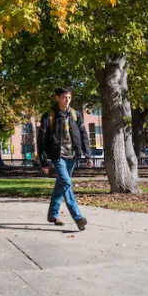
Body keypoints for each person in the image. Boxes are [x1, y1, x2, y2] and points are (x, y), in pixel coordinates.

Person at [37, 87, 92, 231]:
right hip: (58, 156)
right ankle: (78, 217)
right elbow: (41, 140)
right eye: (64, 97)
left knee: (61, 185)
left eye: (69, 97)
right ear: (57, 98)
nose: (67, 100)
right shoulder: (48, 116)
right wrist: (43, 161)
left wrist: (87, 155)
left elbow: (83, 134)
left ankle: (52, 214)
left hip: (72, 156)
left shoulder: (75, 114)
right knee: (67, 183)